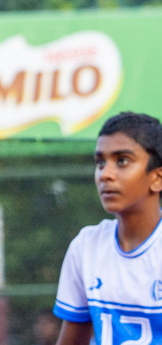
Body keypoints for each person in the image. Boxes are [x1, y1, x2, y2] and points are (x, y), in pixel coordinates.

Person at [51, 111, 162, 345]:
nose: (105, 174)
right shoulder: (86, 247)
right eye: (100, 162)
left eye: (122, 161)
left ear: (157, 178)